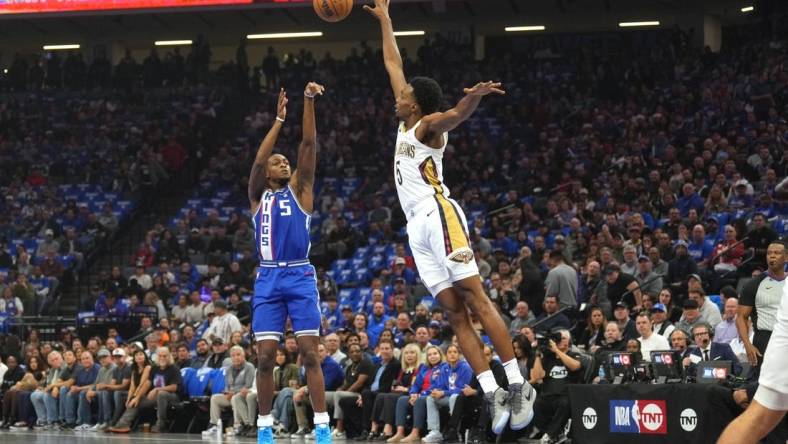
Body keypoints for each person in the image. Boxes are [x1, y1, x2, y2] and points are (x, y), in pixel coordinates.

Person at [366, 0, 534, 434]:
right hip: (416, 229)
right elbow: (392, 62)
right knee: (454, 314)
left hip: (439, 214)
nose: (397, 97)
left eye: (404, 96)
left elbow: (455, 115)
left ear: (417, 104)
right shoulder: (406, 124)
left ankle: (517, 383)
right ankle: (492, 391)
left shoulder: (427, 126)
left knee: (477, 298)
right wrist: (386, 20)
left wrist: (471, 98)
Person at [248, 82, 332, 444]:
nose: (284, 162)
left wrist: (307, 101)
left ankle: (322, 424)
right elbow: (256, 160)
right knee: (265, 357)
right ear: (268, 173)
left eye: (286, 161)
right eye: (277, 162)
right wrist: (278, 120)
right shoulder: (257, 196)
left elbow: (308, 146)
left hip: (299, 274)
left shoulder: (301, 191)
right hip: (267, 278)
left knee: (310, 354)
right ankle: (264, 427)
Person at [738, 241, 786, 369]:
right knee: (765, 384)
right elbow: (741, 317)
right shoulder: (753, 284)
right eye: (769, 253)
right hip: (765, 339)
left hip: (785, 336)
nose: (772, 256)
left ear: (786, 257)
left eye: (777, 253)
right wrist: (748, 345)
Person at [530, 330, 581, 444]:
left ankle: (549, 436)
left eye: (564, 338)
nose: (561, 341)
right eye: (559, 338)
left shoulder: (573, 354)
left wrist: (557, 350)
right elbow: (537, 377)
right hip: (547, 395)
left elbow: (575, 366)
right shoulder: (548, 358)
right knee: (534, 405)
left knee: (564, 404)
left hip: (565, 395)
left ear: (568, 341)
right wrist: (538, 355)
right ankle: (556, 434)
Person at [370, 343, 422, 441]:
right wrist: (395, 386)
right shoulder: (403, 369)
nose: (409, 355)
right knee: (381, 395)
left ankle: (388, 429)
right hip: (400, 392)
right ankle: (374, 428)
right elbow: (397, 382)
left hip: (413, 394)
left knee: (390, 397)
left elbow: (418, 385)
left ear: (417, 355)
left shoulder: (420, 368)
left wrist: (406, 389)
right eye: (406, 353)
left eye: (412, 353)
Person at [421, 344, 472, 443]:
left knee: (454, 397)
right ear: (446, 355)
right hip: (448, 397)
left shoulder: (465, 367)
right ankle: (435, 432)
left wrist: (443, 392)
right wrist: (435, 392)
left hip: (463, 399)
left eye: (455, 352)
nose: (452, 354)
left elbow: (463, 389)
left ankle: (455, 431)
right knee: (430, 398)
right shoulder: (444, 368)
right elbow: (440, 386)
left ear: (459, 354)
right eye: (449, 352)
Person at [203, 346, 256, 437]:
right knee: (215, 398)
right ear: (231, 358)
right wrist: (227, 392)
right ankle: (214, 425)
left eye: (238, 355)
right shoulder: (229, 369)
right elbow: (227, 385)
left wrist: (234, 392)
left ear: (244, 356)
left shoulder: (249, 367)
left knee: (235, 397)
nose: (236, 357)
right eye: (233, 355)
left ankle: (237, 425)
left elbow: (249, 386)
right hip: (231, 395)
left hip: (243, 395)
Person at [109, 350, 153, 433]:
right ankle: (114, 422)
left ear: (145, 357)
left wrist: (135, 397)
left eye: (141, 354)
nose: (139, 356)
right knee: (123, 398)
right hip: (137, 392)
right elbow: (132, 386)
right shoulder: (134, 369)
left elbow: (141, 384)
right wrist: (129, 398)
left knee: (135, 401)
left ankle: (123, 425)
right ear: (134, 358)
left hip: (146, 394)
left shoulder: (148, 367)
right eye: (136, 355)